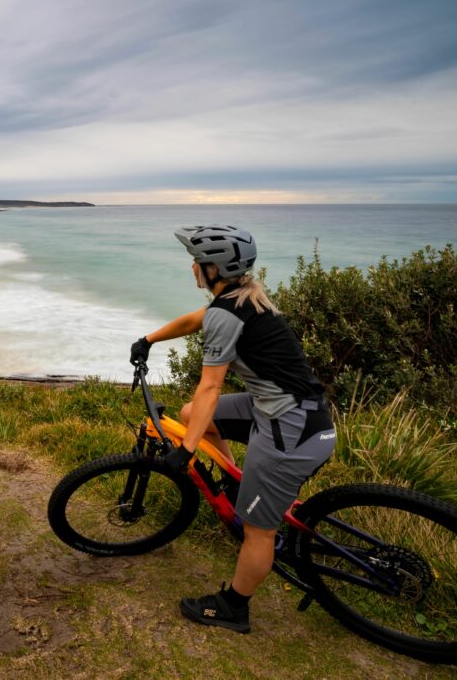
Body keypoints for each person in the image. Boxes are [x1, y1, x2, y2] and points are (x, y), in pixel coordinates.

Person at [130, 225, 335, 634]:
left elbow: (211, 385)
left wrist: (186, 452)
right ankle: (234, 482)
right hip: (285, 410)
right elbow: (195, 320)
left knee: (259, 532)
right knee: (192, 414)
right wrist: (148, 339)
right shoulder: (243, 297)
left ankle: (233, 607)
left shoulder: (228, 311)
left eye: (197, 262)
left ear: (213, 268)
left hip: (290, 430)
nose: (192, 267)